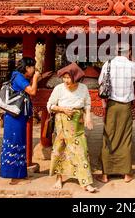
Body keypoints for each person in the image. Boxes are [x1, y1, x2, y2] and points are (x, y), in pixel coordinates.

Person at [96, 43, 135, 183]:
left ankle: (105, 174)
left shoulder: (108, 64)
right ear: (129, 52)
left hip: (111, 105)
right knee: (125, 137)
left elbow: (100, 81)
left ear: (115, 51)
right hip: (125, 106)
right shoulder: (133, 66)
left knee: (109, 137)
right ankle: (126, 174)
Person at [47, 62, 97, 193]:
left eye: (68, 78)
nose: (66, 80)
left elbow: (87, 104)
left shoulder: (83, 88)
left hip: (77, 122)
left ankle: (85, 181)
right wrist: (62, 109)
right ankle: (59, 178)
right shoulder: (58, 88)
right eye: (64, 77)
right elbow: (50, 105)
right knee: (60, 148)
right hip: (62, 123)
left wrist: (87, 117)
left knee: (81, 150)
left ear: (76, 78)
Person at [0, 57, 44, 185]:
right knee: (15, 144)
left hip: (17, 116)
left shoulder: (18, 76)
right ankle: (14, 178)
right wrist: (35, 78)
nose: (34, 69)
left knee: (20, 144)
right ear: (27, 68)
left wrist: (36, 78)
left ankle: (20, 174)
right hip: (15, 118)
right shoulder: (19, 78)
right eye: (33, 67)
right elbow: (32, 92)